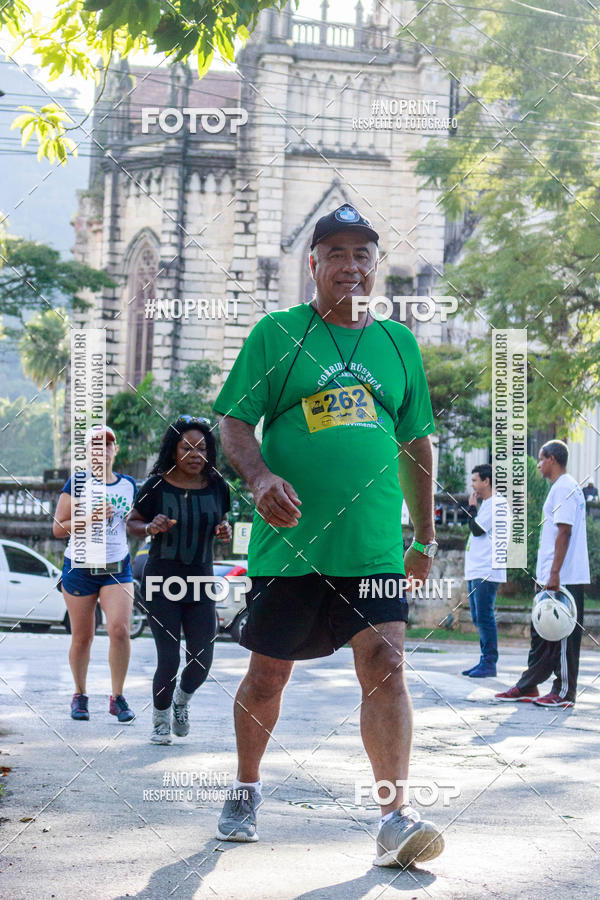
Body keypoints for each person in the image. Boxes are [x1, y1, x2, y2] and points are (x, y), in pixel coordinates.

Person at [212, 203, 445, 868]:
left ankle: (395, 817)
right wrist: (258, 479)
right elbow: (232, 421)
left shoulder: (399, 344)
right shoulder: (276, 334)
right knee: (267, 677)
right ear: (312, 263)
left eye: (362, 254)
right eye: (336, 253)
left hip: (373, 546)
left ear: (376, 267)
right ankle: (247, 787)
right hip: (290, 547)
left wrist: (424, 537)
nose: (350, 265)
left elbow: (417, 443)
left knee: (388, 669)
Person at [127, 416, 232, 744]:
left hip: (201, 579)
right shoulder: (156, 486)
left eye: (201, 447)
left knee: (202, 658)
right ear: (173, 450)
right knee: (169, 657)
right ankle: (159, 718)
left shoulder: (218, 486)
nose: (194, 453)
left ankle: (181, 702)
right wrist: (149, 528)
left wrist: (223, 531)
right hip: (161, 579)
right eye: (187, 447)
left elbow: (221, 522)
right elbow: (132, 522)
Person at [495, 440, 589, 708]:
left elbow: (564, 531)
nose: (537, 464)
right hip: (552, 574)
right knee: (541, 632)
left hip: (564, 576)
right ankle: (529, 685)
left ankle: (564, 693)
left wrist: (556, 574)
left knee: (563, 636)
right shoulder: (561, 488)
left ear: (551, 459)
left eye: (540, 458)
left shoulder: (565, 488)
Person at [52, 425, 137, 723]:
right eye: (96, 446)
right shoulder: (76, 483)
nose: (103, 450)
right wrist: (90, 518)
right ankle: (80, 695)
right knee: (83, 636)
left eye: (108, 445)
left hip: (116, 567)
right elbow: (57, 527)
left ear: (115, 450)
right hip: (80, 568)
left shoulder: (128, 485)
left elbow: (135, 522)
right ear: (88, 453)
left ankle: (117, 697)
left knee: (119, 630)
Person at [462, 464, 508, 678]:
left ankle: (489, 663)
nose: (472, 485)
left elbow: (477, 529)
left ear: (486, 481)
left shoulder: (497, 503)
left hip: (487, 570)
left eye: (474, 480)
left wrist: (471, 507)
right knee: (477, 617)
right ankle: (484, 660)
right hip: (476, 569)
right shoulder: (488, 504)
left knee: (484, 616)